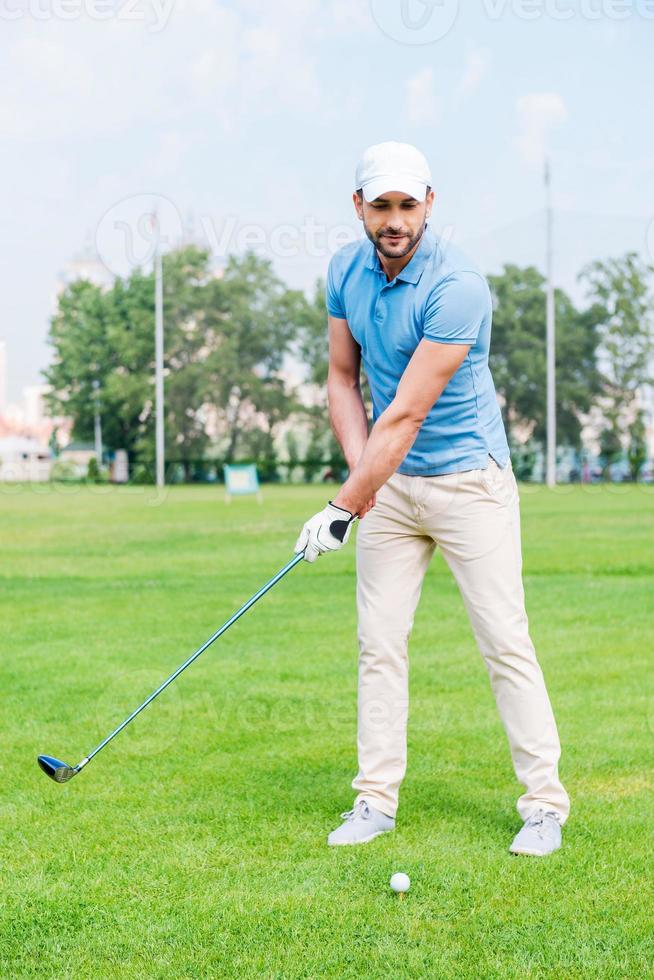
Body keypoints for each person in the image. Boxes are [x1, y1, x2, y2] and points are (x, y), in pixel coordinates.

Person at [294, 141, 570, 857]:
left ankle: (544, 807)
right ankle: (375, 802)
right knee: (378, 644)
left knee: (504, 641)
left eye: (406, 205)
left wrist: (344, 504)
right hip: (392, 485)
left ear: (429, 203)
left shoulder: (459, 286)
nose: (394, 221)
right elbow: (340, 378)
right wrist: (366, 486)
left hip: (468, 483)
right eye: (379, 206)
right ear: (358, 206)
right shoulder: (344, 272)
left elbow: (407, 414)